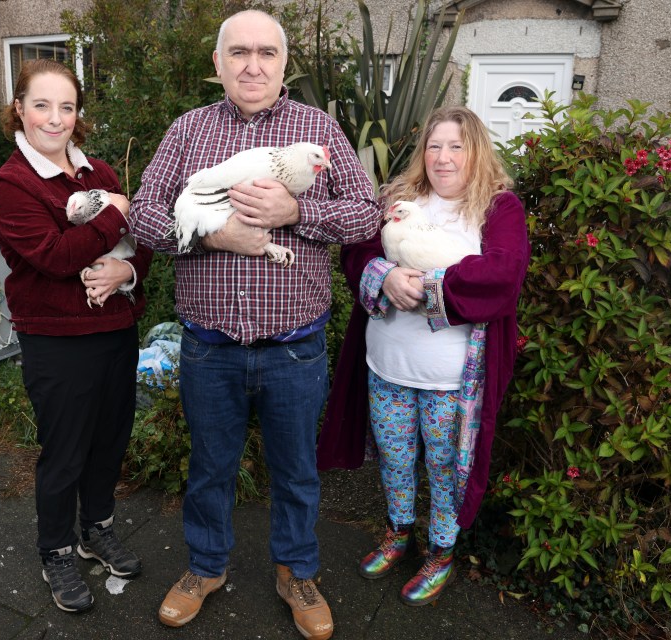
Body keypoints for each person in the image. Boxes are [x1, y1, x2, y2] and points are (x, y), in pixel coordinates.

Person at [130, 10, 379, 639]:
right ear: (217, 64)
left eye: (267, 52)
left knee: (296, 470)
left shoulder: (317, 128)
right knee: (210, 467)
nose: (253, 64)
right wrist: (214, 236)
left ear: (283, 64)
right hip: (209, 347)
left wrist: (298, 210)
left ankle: (296, 570)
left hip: (293, 349)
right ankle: (205, 567)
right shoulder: (188, 132)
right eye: (239, 52)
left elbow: (364, 215)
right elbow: (143, 216)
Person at [317, 106, 530, 606]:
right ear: (422, 153)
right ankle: (397, 533)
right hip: (387, 368)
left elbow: (502, 274)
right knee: (394, 459)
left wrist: (431, 289)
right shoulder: (396, 199)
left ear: (475, 151)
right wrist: (384, 277)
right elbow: (355, 252)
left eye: (456, 146)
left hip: (451, 381)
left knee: (443, 466)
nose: (444, 157)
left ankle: (440, 551)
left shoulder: (498, 209)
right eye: (435, 146)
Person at [0, 59, 153, 613]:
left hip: (115, 330)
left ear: (77, 113)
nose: (55, 119)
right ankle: (56, 549)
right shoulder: (12, 184)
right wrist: (117, 215)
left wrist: (126, 271)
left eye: (66, 107)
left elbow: (141, 242)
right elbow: (57, 259)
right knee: (65, 452)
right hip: (57, 340)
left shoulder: (98, 172)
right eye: (42, 105)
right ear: (19, 108)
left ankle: (96, 529)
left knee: (109, 440)